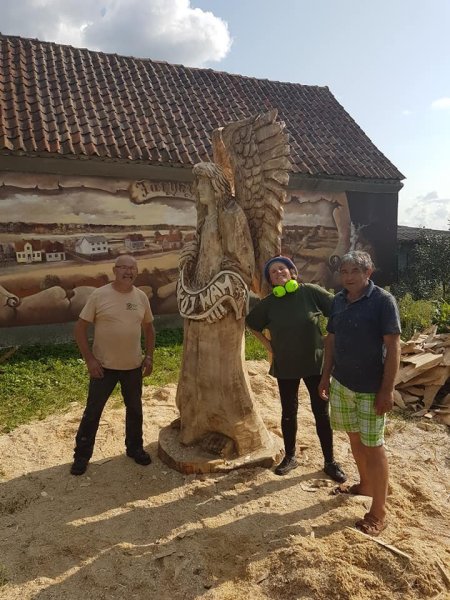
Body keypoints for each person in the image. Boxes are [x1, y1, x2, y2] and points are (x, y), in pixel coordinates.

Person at [175, 161, 271, 455]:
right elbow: (203, 255)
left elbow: (241, 262)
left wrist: (223, 300)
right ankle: (196, 421)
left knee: (224, 373)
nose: (198, 189)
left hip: (222, 310)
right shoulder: (206, 217)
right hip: (198, 304)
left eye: (204, 183)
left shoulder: (231, 214)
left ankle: (233, 429)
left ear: (217, 186)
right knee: (194, 367)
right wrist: (189, 257)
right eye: (197, 183)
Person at [318, 250, 401, 536]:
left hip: (371, 389)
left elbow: (393, 347)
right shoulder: (339, 301)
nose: (348, 277)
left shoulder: (383, 301)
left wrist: (387, 390)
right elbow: (331, 340)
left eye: (355, 271)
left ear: (368, 273)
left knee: (373, 446)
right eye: (344, 271)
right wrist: (326, 375)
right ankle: (365, 484)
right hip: (342, 383)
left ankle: (379, 512)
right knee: (354, 439)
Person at [246, 255, 347, 481]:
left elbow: (338, 308)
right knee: (288, 413)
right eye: (273, 272)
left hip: (315, 364)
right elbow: (251, 323)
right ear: (271, 281)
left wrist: (329, 338)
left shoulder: (309, 292)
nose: (278, 273)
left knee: (321, 412)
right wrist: (269, 346)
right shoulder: (269, 304)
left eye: (282, 268)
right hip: (286, 365)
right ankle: (291, 457)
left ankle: (330, 462)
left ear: (292, 272)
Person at [70, 255, 155, 476]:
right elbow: (79, 329)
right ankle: (81, 456)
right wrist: (90, 360)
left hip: (133, 366)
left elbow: (149, 328)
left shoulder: (141, 297)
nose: (128, 271)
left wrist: (149, 356)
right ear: (114, 270)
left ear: (137, 272)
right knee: (93, 412)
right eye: (123, 267)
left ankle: (135, 448)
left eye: (132, 268)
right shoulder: (99, 295)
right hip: (103, 368)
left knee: (135, 410)